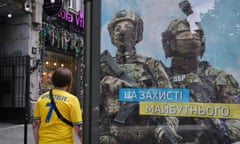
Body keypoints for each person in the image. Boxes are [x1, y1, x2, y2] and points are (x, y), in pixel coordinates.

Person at [100, 9, 181, 144]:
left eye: (128, 27)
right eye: (118, 28)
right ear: (112, 34)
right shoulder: (103, 66)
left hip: (145, 134)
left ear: (136, 32)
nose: (122, 31)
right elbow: (86, 99)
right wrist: (103, 85)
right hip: (110, 135)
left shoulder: (151, 65)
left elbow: (170, 99)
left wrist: (167, 127)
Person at [161, 18, 240, 143]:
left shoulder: (217, 77)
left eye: (195, 35)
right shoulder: (158, 79)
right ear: (170, 43)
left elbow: (238, 114)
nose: (191, 38)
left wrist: (221, 133)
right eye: (185, 34)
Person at [32, 67, 83, 144]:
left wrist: (37, 142)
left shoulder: (41, 98)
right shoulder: (72, 100)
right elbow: (78, 128)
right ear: (69, 83)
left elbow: (35, 124)